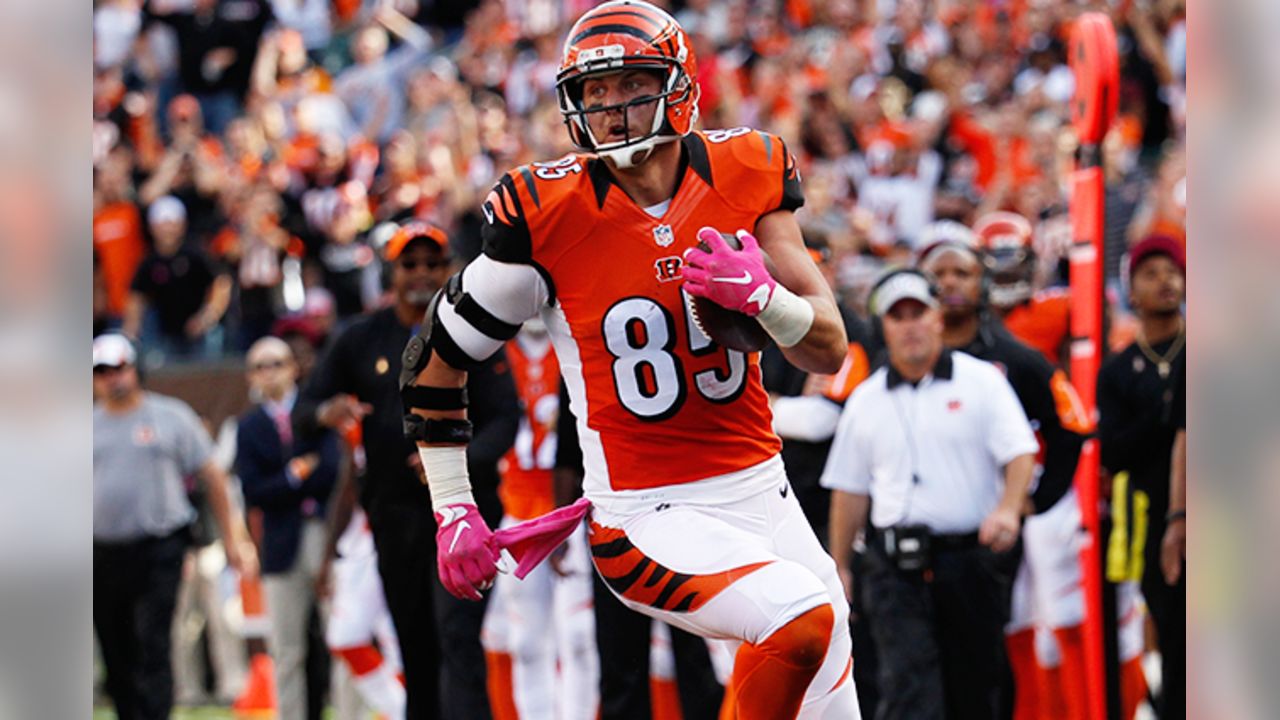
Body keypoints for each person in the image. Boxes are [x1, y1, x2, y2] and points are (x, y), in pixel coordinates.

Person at [398, 3, 857, 718]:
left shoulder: (747, 169)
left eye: (631, 84)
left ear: (679, 85)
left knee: (829, 682)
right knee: (796, 618)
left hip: (763, 492)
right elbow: (434, 357)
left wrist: (767, 299)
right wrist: (453, 505)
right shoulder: (546, 213)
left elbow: (829, 347)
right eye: (593, 93)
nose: (610, 109)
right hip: (645, 514)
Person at [294, 221, 518, 719]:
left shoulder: (472, 330)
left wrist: (455, 458)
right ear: (390, 272)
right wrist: (327, 411)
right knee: (412, 642)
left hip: (463, 512)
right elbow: (303, 410)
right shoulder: (360, 338)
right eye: (410, 264)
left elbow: (506, 417)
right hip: (393, 513)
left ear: (448, 269)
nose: (421, 274)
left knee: (457, 636)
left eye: (432, 264)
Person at [822, 268, 1038, 720]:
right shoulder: (866, 398)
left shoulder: (982, 381)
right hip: (892, 568)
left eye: (918, 312)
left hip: (967, 560)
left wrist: (1008, 510)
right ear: (884, 326)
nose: (910, 325)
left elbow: (1020, 451)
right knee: (906, 687)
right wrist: (839, 564)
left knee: (975, 686)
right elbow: (849, 489)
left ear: (938, 317)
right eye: (897, 316)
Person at [918, 238, 1107, 718]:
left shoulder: (1015, 359)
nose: (949, 284)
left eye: (960, 273)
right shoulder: (902, 358)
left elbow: (1073, 426)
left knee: (1011, 637)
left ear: (982, 283)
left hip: (996, 530)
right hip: (923, 533)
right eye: (938, 274)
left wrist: (1035, 500)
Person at [93, 333, 255, 720]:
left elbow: (213, 475)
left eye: (119, 367)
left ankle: (155, 715)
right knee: (115, 645)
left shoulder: (170, 415)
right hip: (101, 549)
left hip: (160, 545)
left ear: (135, 369)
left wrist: (232, 539)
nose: (113, 378)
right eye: (101, 371)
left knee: (153, 639)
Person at [481, 320, 599, 720]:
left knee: (581, 637)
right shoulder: (489, 353)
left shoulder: (574, 342)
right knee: (527, 643)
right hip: (516, 513)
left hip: (574, 513)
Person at [1098, 234, 1186, 719]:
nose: (1165, 281)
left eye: (1172, 271)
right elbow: (1113, 449)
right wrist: (1171, 415)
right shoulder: (1118, 370)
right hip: (1152, 515)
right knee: (1173, 634)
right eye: (1151, 273)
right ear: (1131, 290)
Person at [237, 336, 340, 720]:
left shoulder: (316, 412)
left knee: (344, 638)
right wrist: (295, 475)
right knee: (286, 649)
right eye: (261, 366)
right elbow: (253, 490)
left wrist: (283, 483)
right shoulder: (248, 427)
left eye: (276, 363)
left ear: (293, 368)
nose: (270, 373)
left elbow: (330, 471)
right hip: (280, 544)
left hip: (325, 535)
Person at [124, 195, 231, 361]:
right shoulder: (149, 261)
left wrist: (207, 316)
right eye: (162, 224)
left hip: (201, 332)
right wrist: (131, 332)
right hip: (166, 332)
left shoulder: (196, 253)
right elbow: (137, 296)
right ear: (152, 227)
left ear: (182, 224)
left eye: (172, 223)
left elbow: (221, 282)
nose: (167, 229)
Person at [973, 212, 1072, 368]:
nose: (1005, 272)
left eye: (1015, 264)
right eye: (996, 265)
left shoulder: (1055, 309)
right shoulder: (968, 320)